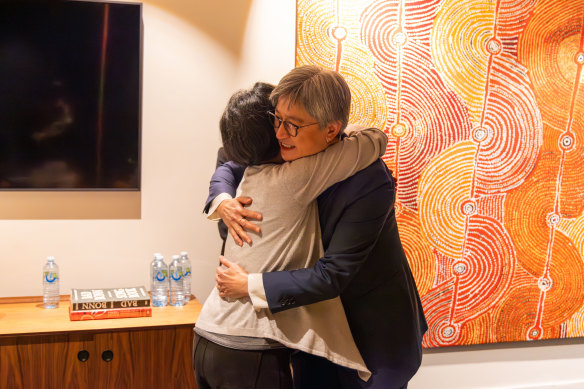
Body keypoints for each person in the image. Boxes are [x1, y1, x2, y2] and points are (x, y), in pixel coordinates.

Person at [206, 65, 428, 389]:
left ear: (331, 129)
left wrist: (250, 284)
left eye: (292, 125)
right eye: (276, 119)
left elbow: (333, 274)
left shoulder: (368, 181)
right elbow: (228, 159)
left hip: (374, 337)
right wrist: (222, 200)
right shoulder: (283, 152)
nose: (279, 133)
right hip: (313, 330)